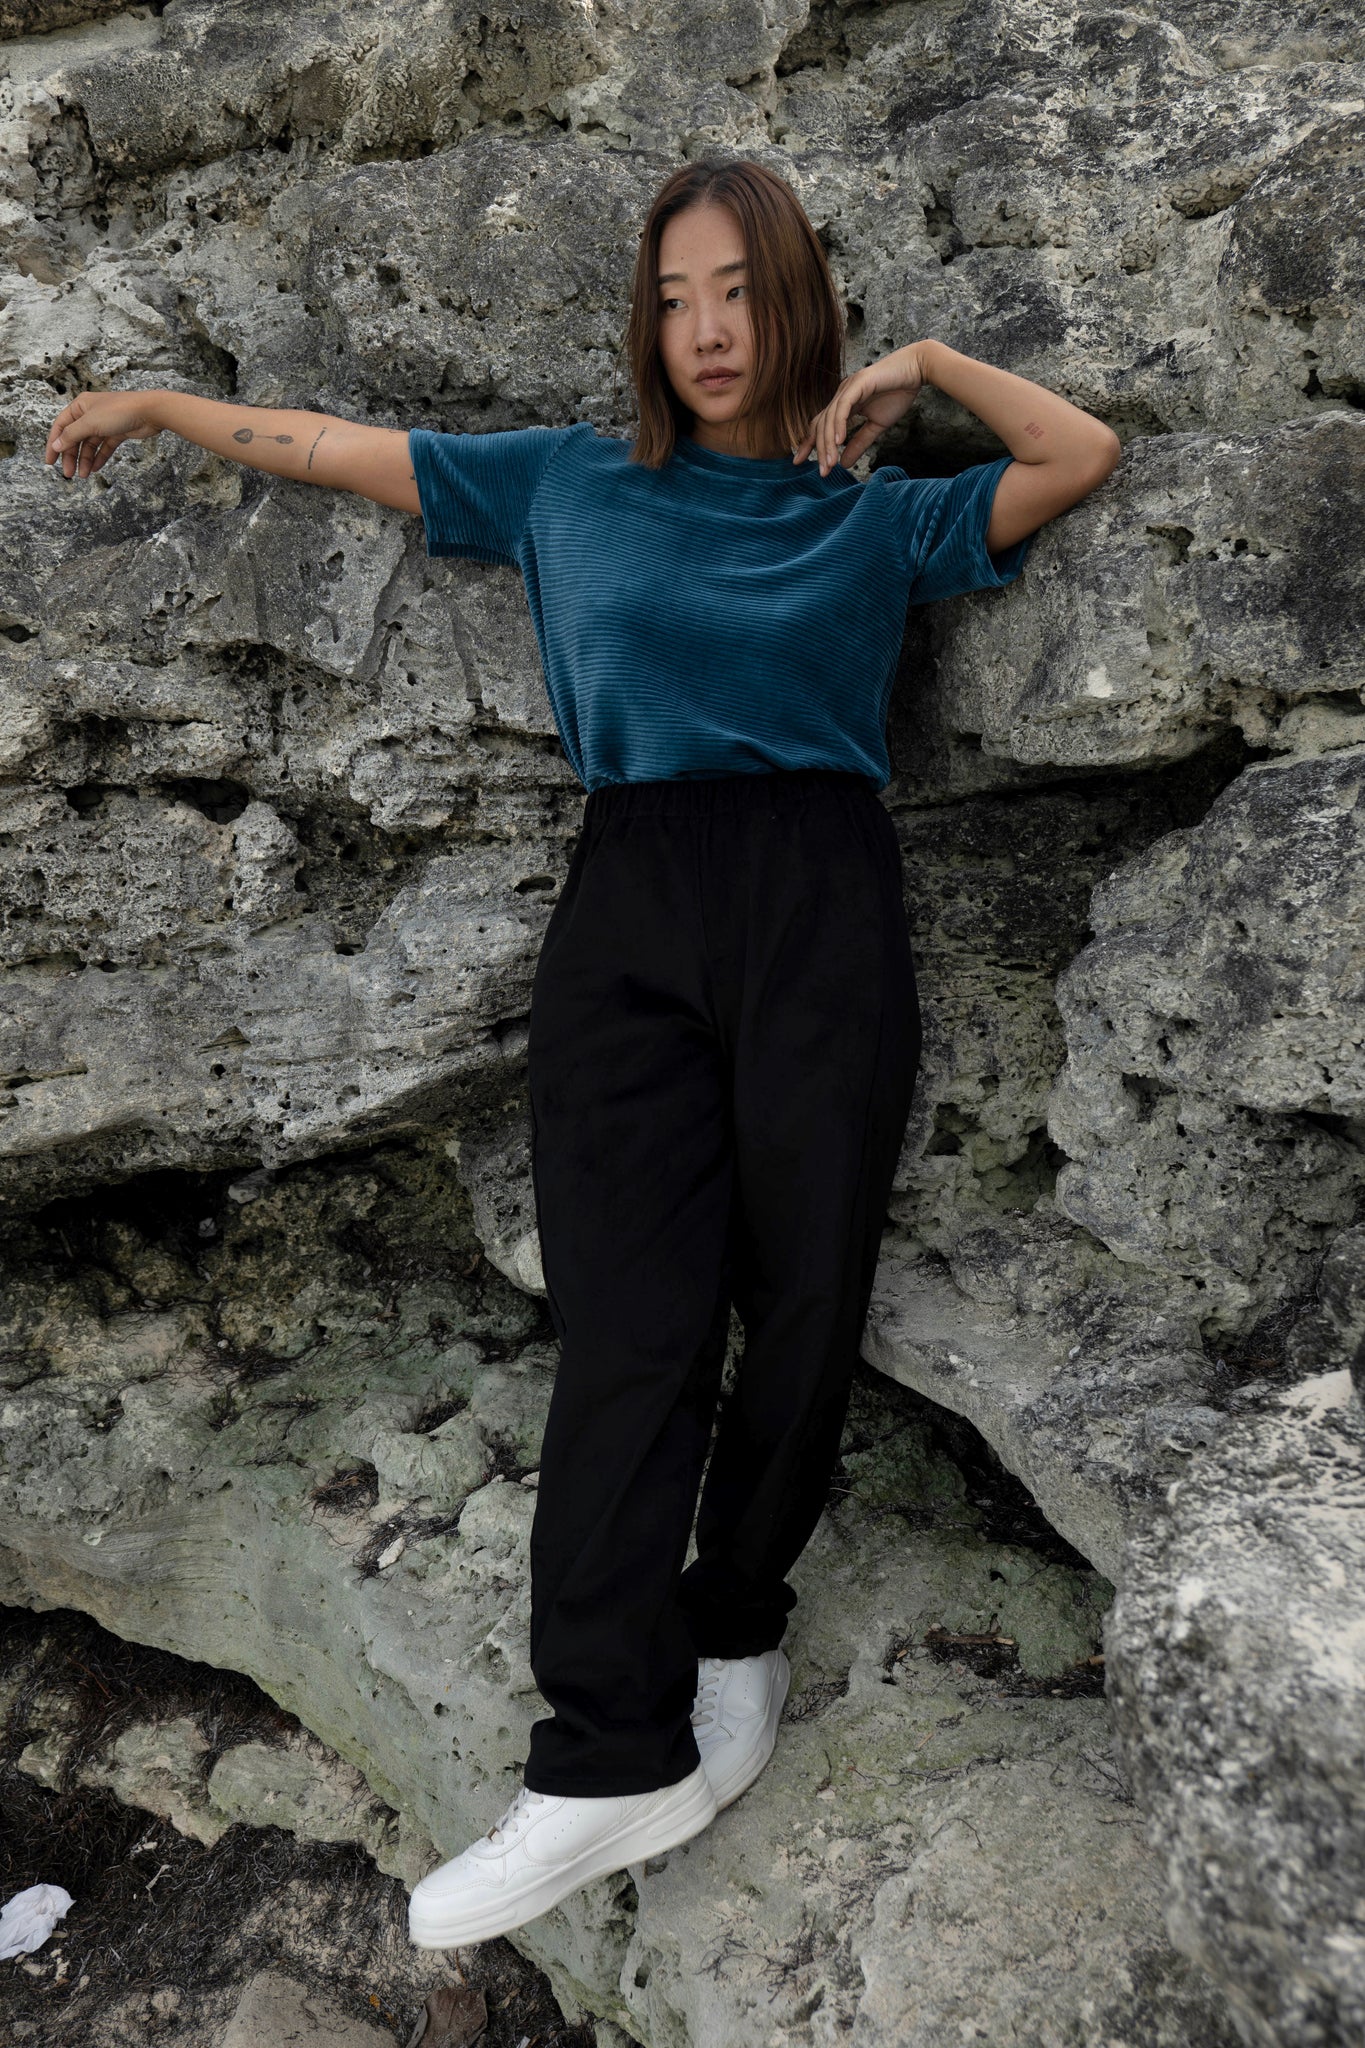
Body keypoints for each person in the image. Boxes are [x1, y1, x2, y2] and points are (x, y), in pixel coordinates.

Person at [45, 154, 1120, 1950]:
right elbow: (329, 447)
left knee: (802, 1294)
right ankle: (600, 1749)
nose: (706, 331)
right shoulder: (565, 478)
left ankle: (736, 1626)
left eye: (741, 293)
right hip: (629, 900)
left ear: (797, 306)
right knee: (631, 1324)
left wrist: (925, 360)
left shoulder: (874, 513)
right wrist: (160, 405)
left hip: (820, 893)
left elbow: (1073, 456)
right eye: (675, 295)